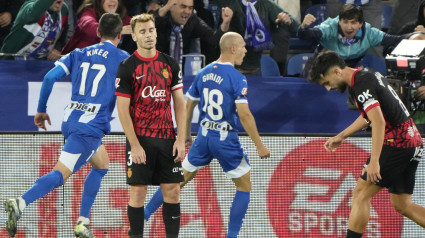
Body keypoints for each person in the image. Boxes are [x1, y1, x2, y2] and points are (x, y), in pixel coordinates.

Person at [3, 12, 129, 238]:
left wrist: (41, 110)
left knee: (102, 165)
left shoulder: (78, 53)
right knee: (60, 174)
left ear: (98, 33)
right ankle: (20, 202)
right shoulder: (123, 57)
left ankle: (83, 221)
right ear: (120, 34)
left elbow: (50, 78)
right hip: (90, 128)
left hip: (71, 121)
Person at [144, 32, 271, 238]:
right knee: (244, 185)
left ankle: (145, 213)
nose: (245, 51)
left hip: (203, 136)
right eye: (242, 47)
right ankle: (231, 236)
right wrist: (259, 145)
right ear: (232, 49)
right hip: (225, 139)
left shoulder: (203, 73)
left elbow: (188, 103)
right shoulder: (238, 78)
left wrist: (184, 133)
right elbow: (244, 114)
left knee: (178, 180)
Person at [308, 50, 425, 238]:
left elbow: (378, 122)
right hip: (413, 142)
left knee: (360, 195)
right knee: (403, 204)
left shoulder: (360, 84)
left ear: (337, 72)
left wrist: (375, 161)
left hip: (397, 143)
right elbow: (368, 118)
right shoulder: (366, 75)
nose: (328, 88)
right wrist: (342, 136)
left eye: (327, 83)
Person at [115, 13, 186, 238]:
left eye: (151, 30)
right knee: (137, 192)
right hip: (140, 140)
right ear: (134, 36)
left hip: (167, 138)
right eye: (143, 32)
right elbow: (122, 110)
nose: (148, 35)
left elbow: (180, 104)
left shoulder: (170, 64)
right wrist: (134, 145)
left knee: (173, 191)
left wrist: (180, 138)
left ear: (156, 32)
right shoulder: (127, 67)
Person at [299, 4, 404, 68]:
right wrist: (303, 27)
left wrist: (418, 35)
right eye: (345, 22)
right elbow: (306, 35)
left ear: (360, 23)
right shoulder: (329, 27)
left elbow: (395, 40)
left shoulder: (369, 33)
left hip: (349, 68)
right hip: (321, 65)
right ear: (339, 21)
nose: (349, 27)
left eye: (353, 22)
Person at [216, 0, 299, 75]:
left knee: (281, 34)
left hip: (254, 67)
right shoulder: (230, 3)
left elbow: (295, 27)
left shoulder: (266, 4)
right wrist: (226, 23)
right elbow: (216, 39)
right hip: (230, 67)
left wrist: (287, 20)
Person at [152, 0, 233, 68]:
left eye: (190, 8)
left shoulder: (192, 20)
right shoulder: (160, 17)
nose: (187, 11)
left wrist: (225, 24)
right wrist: (164, 9)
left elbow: (213, 39)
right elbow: (143, 26)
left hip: (177, 72)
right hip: (153, 68)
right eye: (183, 6)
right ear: (171, 6)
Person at [0, 0, 70, 60]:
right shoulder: (29, 8)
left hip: (39, 66)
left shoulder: (63, 10)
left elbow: (61, 36)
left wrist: (56, 48)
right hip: (10, 62)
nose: (59, 6)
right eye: (57, 2)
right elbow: (34, 13)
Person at [62, 0, 131, 54]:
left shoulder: (121, 16)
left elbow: (135, 24)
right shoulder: (89, 12)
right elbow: (88, 25)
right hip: (77, 62)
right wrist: (118, 29)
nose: (112, 0)